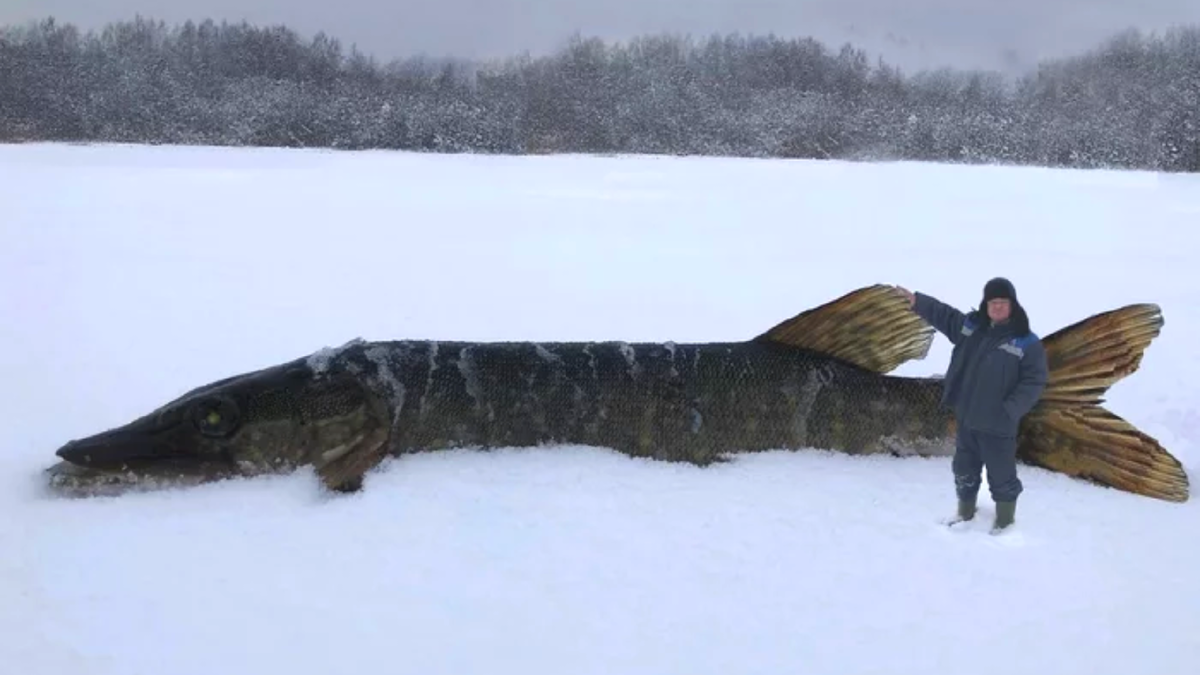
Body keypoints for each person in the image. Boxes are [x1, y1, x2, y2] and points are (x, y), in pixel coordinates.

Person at [893, 278, 1048, 533]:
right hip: (967, 418)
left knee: (1002, 475)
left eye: (1003, 302)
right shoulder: (972, 327)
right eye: (992, 302)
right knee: (964, 469)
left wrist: (1010, 409)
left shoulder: (1027, 342)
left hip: (999, 425)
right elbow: (946, 316)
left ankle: (1005, 521)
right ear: (986, 304)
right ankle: (965, 512)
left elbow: (1035, 380)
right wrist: (918, 302)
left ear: (1013, 305)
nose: (997, 307)